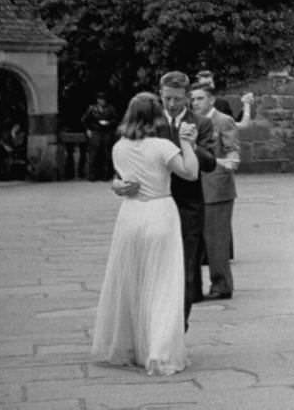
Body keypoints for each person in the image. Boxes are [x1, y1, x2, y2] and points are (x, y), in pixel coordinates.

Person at [91, 92, 198, 375]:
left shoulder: (119, 147)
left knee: (130, 282)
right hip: (160, 211)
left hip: (130, 215)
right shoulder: (162, 146)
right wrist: (187, 144)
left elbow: (123, 180)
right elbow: (190, 172)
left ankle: (128, 346)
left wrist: (117, 185)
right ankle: (159, 352)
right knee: (163, 283)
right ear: (156, 117)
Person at [117, 72, 215, 328]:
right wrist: (118, 184)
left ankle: (176, 329)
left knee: (186, 270)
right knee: (152, 270)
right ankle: (152, 326)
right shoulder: (152, 121)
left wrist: (191, 145)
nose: (172, 105)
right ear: (160, 94)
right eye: (167, 98)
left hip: (188, 206)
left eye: (178, 100)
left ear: (188, 98)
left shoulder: (201, 123)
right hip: (154, 207)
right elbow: (125, 162)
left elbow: (211, 163)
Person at [189, 83, 240, 301]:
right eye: (193, 99)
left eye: (200, 98)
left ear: (211, 100)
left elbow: (233, 154)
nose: (195, 103)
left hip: (217, 188)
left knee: (216, 240)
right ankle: (193, 286)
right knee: (194, 238)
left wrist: (217, 163)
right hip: (194, 184)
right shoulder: (190, 121)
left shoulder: (223, 121)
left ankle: (221, 284)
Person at [81, 91, 118, 182]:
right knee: (94, 153)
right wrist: (88, 129)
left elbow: (116, 120)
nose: (102, 101)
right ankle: (92, 175)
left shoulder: (110, 109)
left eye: (103, 100)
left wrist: (109, 123)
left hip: (107, 132)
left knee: (106, 153)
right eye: (100, 100)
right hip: (96, 131)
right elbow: (84, 120)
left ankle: (105, 175)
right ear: (98, 100)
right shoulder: (92, 109)